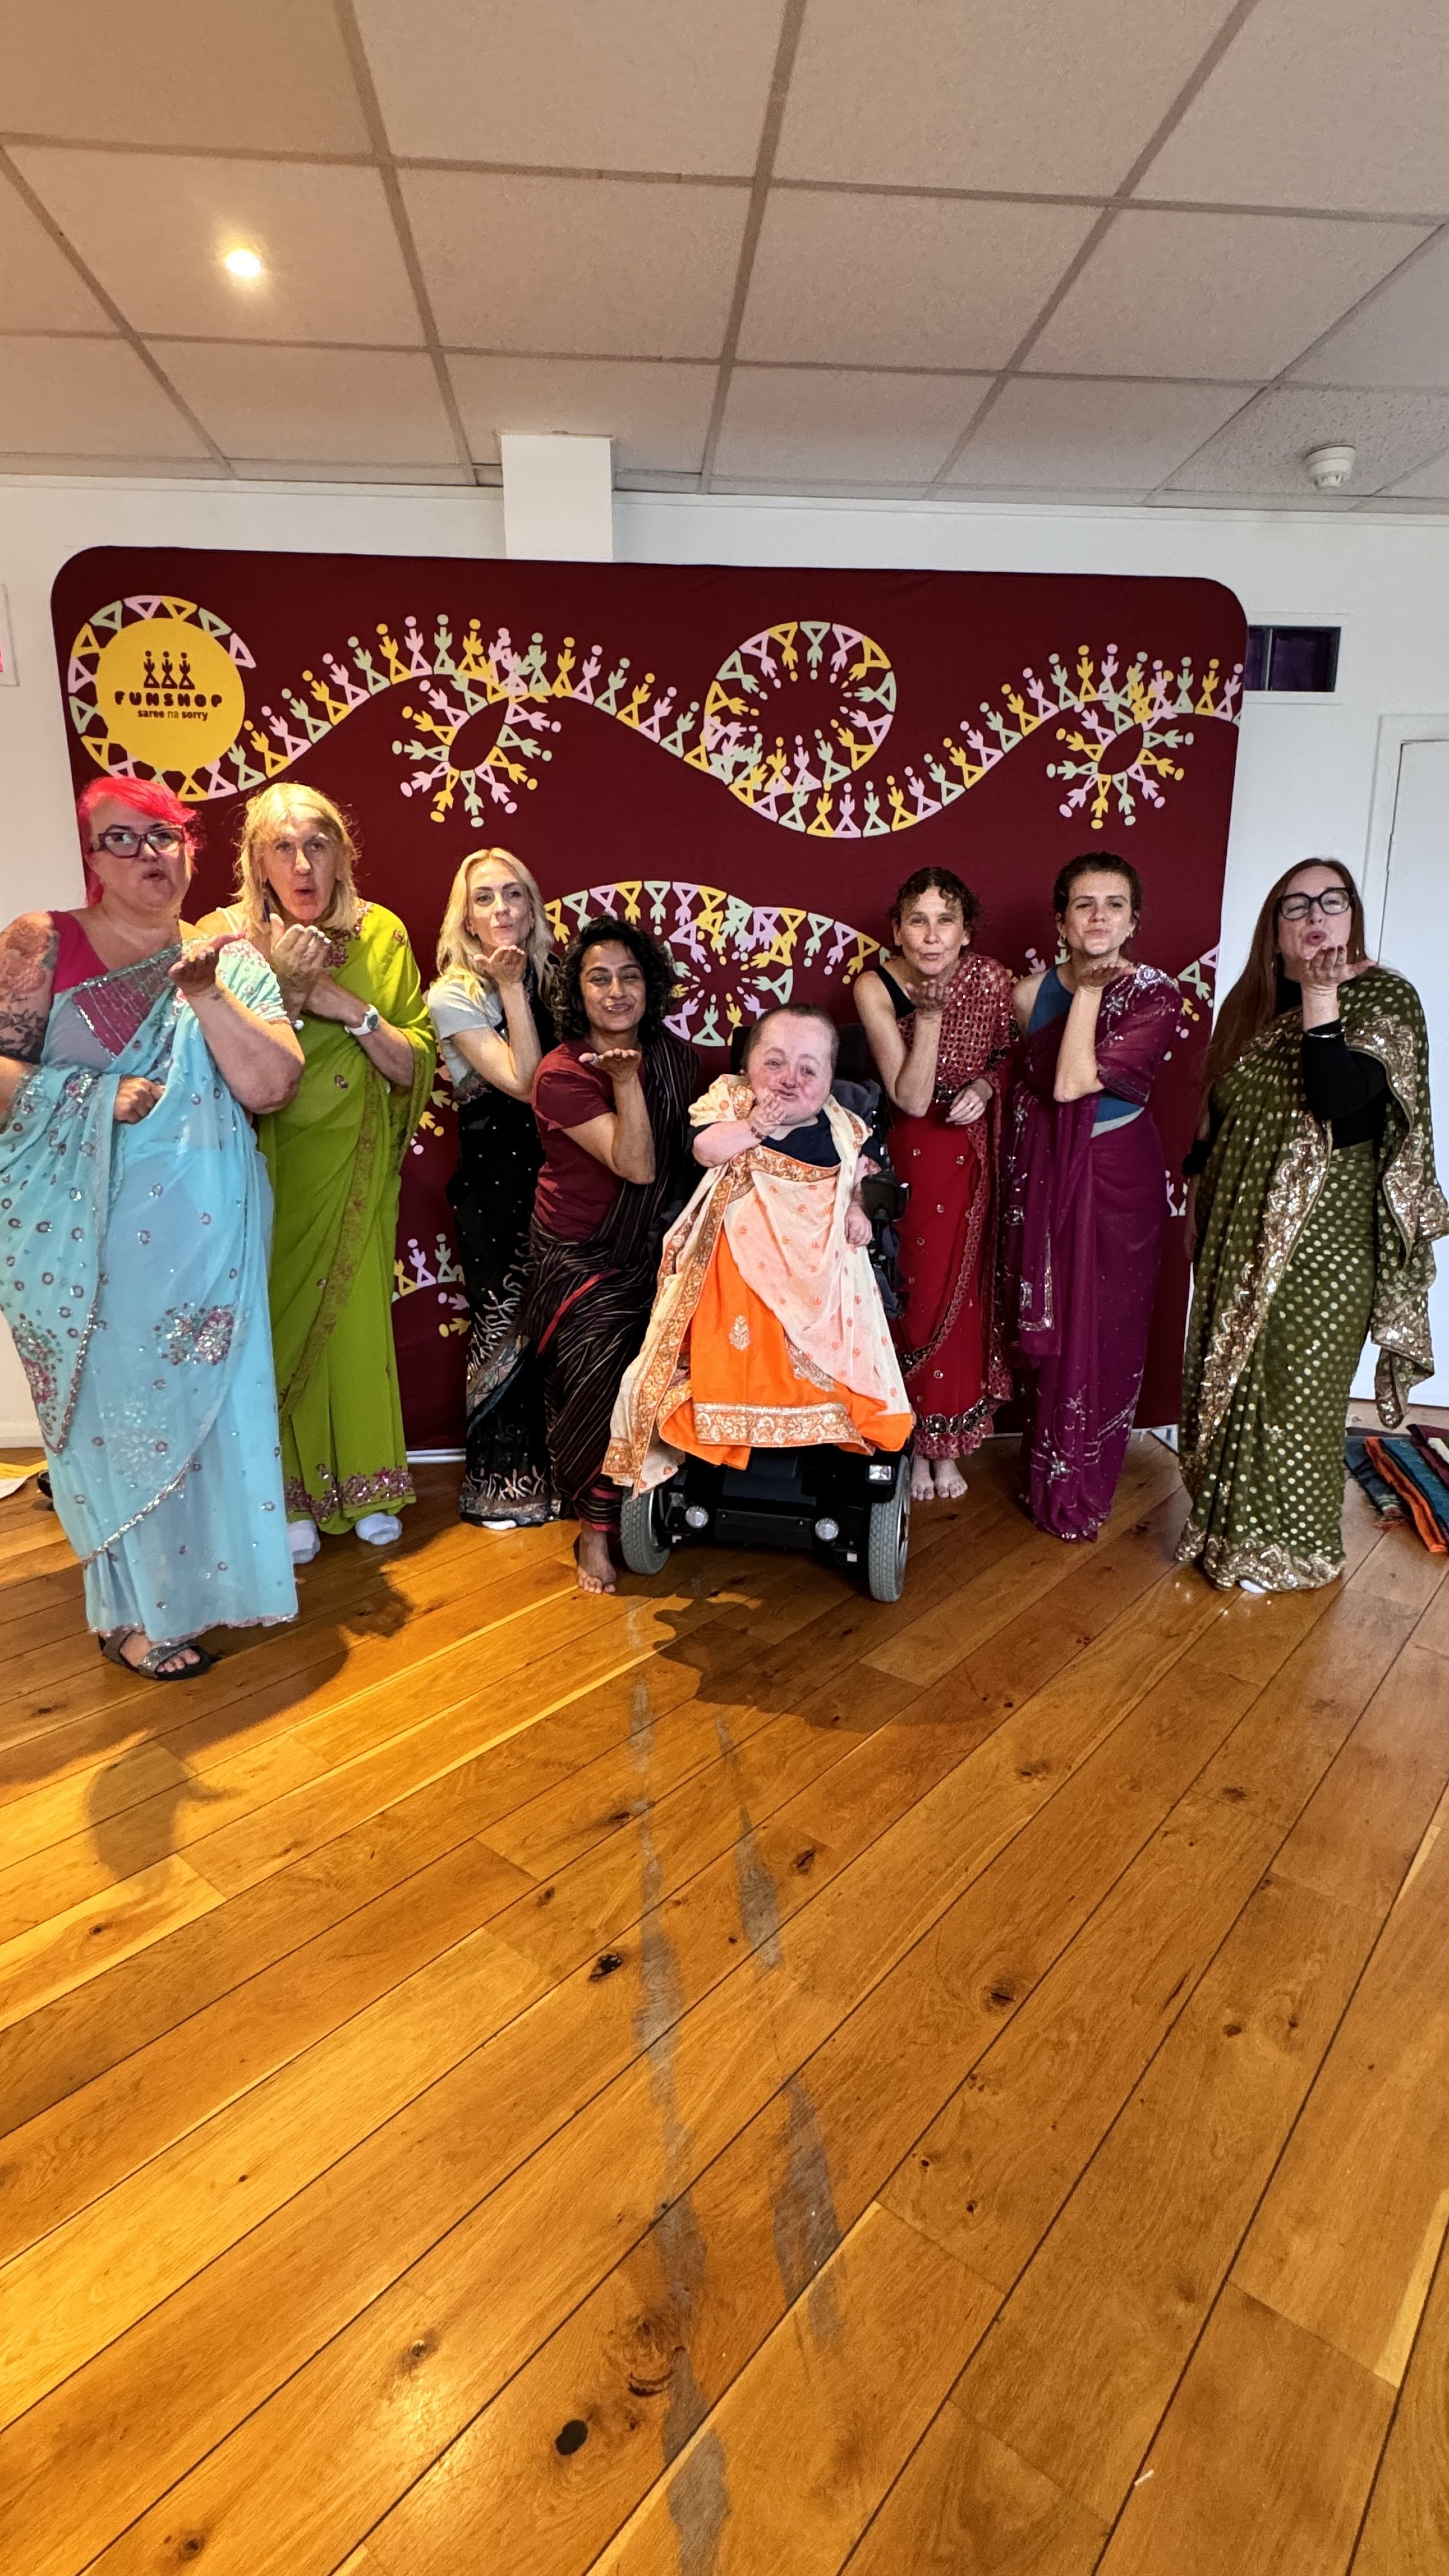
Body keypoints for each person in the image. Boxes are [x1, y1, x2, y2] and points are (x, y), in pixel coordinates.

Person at [0, 779, 302, 1678]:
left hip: (202, 1240)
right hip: (80, 1245)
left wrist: (206, 992)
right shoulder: (39, 942)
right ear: (91, 857)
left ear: (190, 850)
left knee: (202, 1419)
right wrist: (88, 1096)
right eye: (122, 840)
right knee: (111, 1426)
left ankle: (206, 1592)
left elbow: (270, 1085)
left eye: (164, 837)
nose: (147, 857)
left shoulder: (230, 958)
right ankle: (133, 1614)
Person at [1178, 858, 1445, 1592]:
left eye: (1332, 900)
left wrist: (1325, 999)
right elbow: (1211, 1133)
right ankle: (1222, 1538)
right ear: (1275, 933)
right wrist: (1197, 1210)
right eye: (1296, 906)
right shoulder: (1251, 1013)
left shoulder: (1385, 1000)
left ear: (1353, 916)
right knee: (1231, 1389)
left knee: (1296, 1396)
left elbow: (1344, 1111)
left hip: (1323, 1249)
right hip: (1237, 1239)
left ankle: (1293, 1555)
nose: (1315, 915)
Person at [201, 785, 434, 1561]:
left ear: (343, 854)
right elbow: (206, 1055)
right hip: (262, 1157)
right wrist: (287, 995)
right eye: (283, 848)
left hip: (354, 1159)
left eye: (319, 845)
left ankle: (370, 1483)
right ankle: (286, 1494)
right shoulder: (224, 939)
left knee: (354, 1321)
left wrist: (345, 1004)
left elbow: (413, 1064)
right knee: (270, 1320)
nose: (303, 865)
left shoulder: (382, 935)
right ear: (257, 863)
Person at [608, 1005, 913, 1494]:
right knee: (729, 1305)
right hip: (738, 1255)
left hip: (819, 1264)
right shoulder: (729, 1103)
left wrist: (858, 1210)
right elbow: (706, 1152)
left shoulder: (846, 1129)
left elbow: (865, 1182)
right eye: (774, 1063)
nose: (789, 1079)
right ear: (747, 1067)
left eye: (808, 1069)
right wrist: (755, 1129)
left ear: (831, 1079)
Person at [1002, 854, 1186, 1542]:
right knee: (1060, 1322)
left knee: (1106, 1325)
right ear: (1061, 921)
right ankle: (1047, 1470)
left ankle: (1088, 1478)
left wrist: (1085, 993)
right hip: (1049, 1177)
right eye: (1084, 904)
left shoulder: (1155, 995)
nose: (1100, 916)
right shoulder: (1025, 995)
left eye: (1115, 904)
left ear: (1134, 919)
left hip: (1119, 1177)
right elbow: (1022, 1091)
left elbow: (1073, 1084)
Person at [525, 918, 700, 1593]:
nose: (617, 991)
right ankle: (592, 1531)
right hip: (582, 1256)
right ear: (578, 991)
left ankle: (664, 1498)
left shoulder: (678, 1059)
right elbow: (635, 1165)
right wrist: (625, 1084)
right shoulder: (561, 1074)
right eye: (599, 977)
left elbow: (690, 1155)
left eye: (630, 976)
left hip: (656, 1245)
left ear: (649, 986)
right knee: (601, 1374)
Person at [855, 865, 1015, 1502]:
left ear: (965, 930)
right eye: (917, 920)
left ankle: (947, 1446)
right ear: (897, 928)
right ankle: (912, 1442)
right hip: (910, 1154)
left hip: (969, 1152)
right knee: (913, 1295)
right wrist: (928, 1017)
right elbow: (913, 1099)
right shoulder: (876, 985)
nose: (931, 934)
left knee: (966, 1298)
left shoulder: (991, 979)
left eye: (945, 919)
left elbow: (1004, 1057)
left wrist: (983, 1086)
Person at [427, 848, 556, 1526]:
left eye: (513, 893)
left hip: (566, 1180)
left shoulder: (560, 980)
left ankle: (568, 1477)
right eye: (484, 898)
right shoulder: (453, 993)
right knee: (503, 1330)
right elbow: (526, 1083)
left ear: (532, 907)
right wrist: (509, 987)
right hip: (494, 1187)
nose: (501, 909)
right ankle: (504, 1488)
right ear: (467, 918)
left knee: (561, 1327)